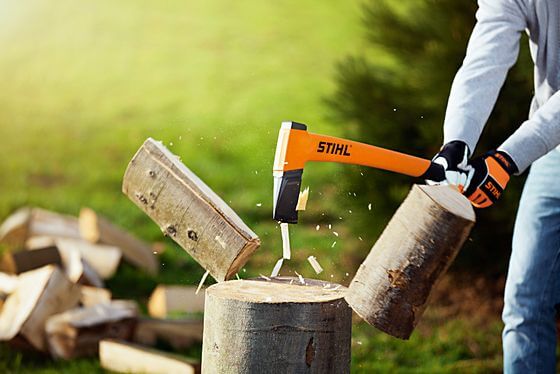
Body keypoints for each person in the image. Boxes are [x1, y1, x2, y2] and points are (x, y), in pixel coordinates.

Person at [427, 0, 560, 372]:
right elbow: (484, 61)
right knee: (524, 306)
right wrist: (456, 143)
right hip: (556, 152)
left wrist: (508, 158)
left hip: (548, 138)